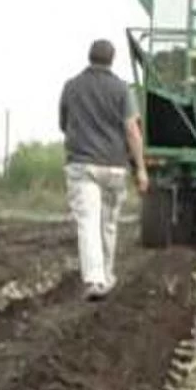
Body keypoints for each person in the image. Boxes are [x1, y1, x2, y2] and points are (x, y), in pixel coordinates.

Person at [59, 39, 149, 301]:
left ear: (89, 57)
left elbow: (64, 123)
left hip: (82, 164)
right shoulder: (122, 90)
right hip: (114, 167)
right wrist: (141, 169)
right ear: (112, 60)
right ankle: (106, 276)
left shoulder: (71, 87)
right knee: (108, 224)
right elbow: (132, 130)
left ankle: (96, 280)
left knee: (88, 222)